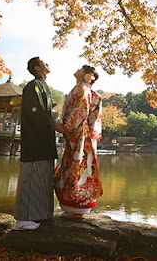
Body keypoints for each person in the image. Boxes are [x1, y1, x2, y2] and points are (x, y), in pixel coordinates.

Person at [13, 57, 64, 230]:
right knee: (32, 175)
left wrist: (53, 117)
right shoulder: (32, 86)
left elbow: (44, 111)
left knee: (42, 176)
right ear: (37, 68)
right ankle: (23, 218)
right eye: (43, 62)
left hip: (44, 139)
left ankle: (40, 214)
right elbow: (35, 111)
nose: (47, 63)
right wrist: (55, 124)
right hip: (35, 141)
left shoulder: (43, 86)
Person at [54, 65, 103, 217]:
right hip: (84, 135)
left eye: (81, 68)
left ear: (88, 74)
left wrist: (61, 127)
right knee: (84, 169)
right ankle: (80, 207)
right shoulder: (88, 90)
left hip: (79, 135)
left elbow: (78, 112)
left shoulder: (82, 89)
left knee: (75, 170)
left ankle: (75, 206)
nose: (77, 69)